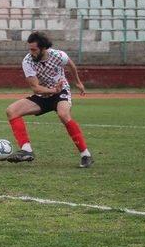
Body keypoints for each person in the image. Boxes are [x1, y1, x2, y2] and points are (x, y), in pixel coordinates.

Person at [5, 31, 94, 168]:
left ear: (44, 48)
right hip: (43, 94)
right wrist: (52, 90)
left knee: (63, 114)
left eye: (34, 49)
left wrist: (78, 82)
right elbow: (36, 88)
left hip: (61, 92)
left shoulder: (58, 56)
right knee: (12, 111)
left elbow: (71, 65)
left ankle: (85, 155)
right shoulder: (28, 61)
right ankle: (27, 150)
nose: (31, 52)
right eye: (30, 49)